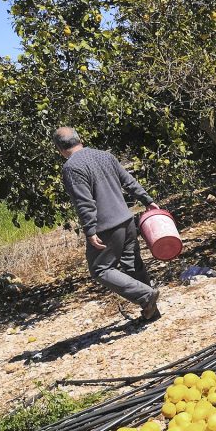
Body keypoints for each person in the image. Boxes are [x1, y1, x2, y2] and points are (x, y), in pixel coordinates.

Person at [55, 127, 162, 322]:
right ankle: (151, 311)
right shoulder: (105, 156)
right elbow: (128, 181)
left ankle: (146, 296)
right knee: (133, 266)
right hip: (127, 220)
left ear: (60, 149)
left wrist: (89, 229)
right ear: (80, 140)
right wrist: (147, 200)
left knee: (100, 269)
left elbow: (84, 202)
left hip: (106, 227)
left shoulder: (71, 168)